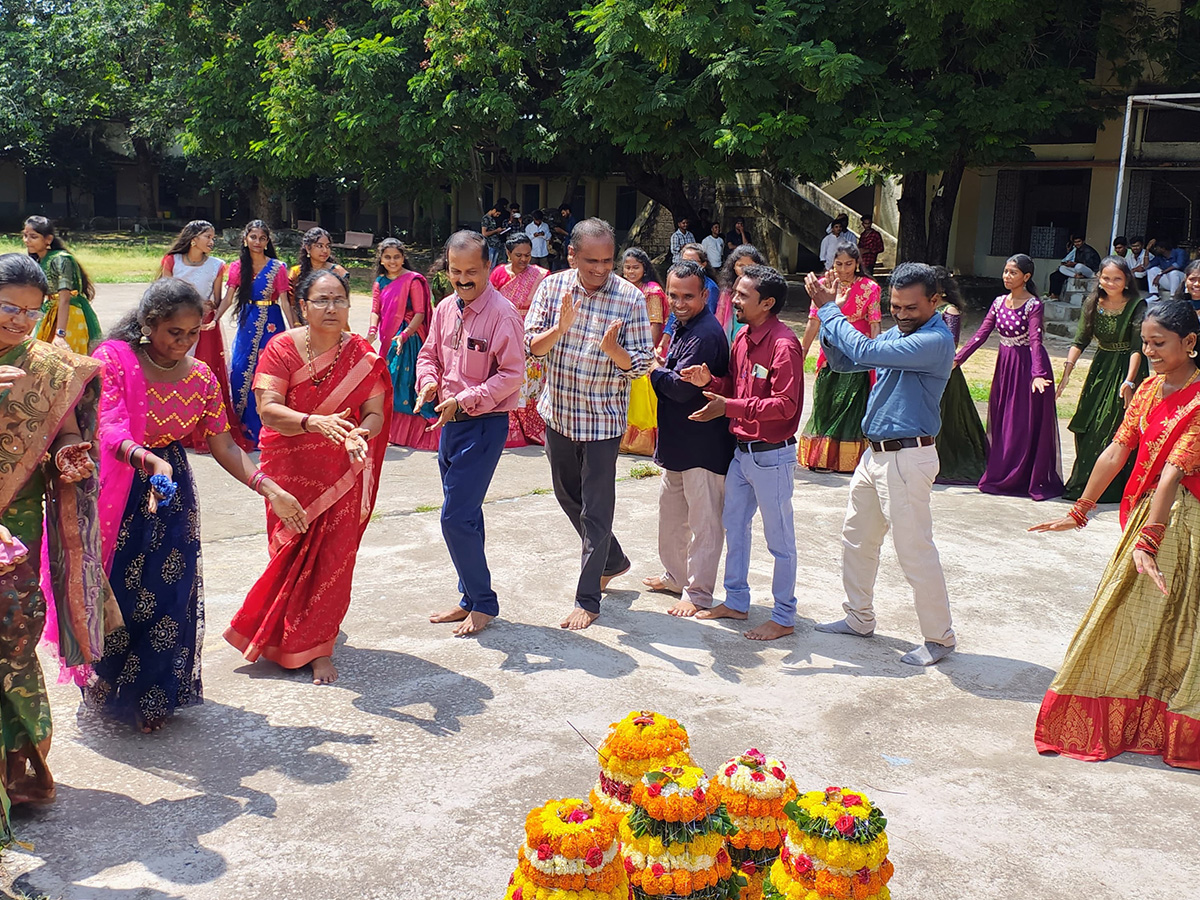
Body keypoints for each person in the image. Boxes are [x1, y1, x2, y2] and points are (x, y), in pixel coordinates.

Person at [83, 280, 305, 729]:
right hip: (122, 485)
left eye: (192, 333)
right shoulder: (115, 360)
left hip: (172, 492)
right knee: (120, 592)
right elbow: (109, 429)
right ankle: (109, 688)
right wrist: (149, 463)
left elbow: (223, 444)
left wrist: (270, 488)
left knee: (169, 594)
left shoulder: (201, 376)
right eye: (174, 333)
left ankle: (154, 697)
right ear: (148, 326)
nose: (183, 343)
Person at [1030, 300, 1200, 769]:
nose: (1149, 352)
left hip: (1182, 523)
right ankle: (1134, 720)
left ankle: (1168, 723)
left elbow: (1172, 473)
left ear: (1190, 343)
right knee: (1136, 619)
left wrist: (1149, 541)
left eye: (1159, 344)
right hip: (1150, 514)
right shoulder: (1147, 388)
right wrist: (1081, 509)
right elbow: (1118, 448)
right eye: (1144, 343)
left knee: (1174, 625)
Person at [225, 271, 390, 685]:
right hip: (290, 468)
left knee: (334, 559)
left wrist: (359, 435)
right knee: (290, 551)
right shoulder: (281, 348)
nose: (332, 307)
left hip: (342, 469)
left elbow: (374, 413)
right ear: (303, 305)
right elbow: (268, 410)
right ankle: (285, 631)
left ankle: (318, 646)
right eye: (322, 300)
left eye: (339, 299)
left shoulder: (363, 355)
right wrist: (314, 423)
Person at [806, 262, 957, 666]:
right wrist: (831, 321)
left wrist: (828, 310)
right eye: (896, 307)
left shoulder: (934, 340)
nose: (902, 315)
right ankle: (858, 617)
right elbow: (846, 361)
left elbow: (867, 350)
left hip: (908, 457)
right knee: (857, 538)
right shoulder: (904, 332)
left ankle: (939, 638)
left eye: (911, 308)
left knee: (914, 551)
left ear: (934, 301)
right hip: (876, 455)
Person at [0, 253, 107, 821]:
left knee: (13, 637)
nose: (18, 322)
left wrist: (68, 453)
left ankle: (21, 774)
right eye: (7, 308)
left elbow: (64, 427)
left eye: (30, 313)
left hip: (14, 525)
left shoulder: (50, 365)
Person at [524, 218, 653, 630]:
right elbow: (532, 346)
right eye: (592, 261)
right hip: (559, 414)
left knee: (597, 511)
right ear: (572, 255)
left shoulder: (630, 298)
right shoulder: (552, 287)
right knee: (568, 498)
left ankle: (588, 598)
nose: (601, 269)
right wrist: (560, 329)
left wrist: (615, 351)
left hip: (603, 422)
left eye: (608, 260)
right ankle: (613, 559)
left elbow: (642, 365)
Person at [681, 265, 803, 641]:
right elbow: (736, 387)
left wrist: (728, 407)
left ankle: (783, 615)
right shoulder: (743, 338)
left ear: (767, 303)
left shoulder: (784, 345)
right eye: (734, 292)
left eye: (743, 295)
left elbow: (785, 405)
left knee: (779, 541)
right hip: (743, 454)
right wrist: (711, 383)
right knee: (734, 527)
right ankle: (736, 600)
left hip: (772, 456)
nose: (733, 299)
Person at [417, 232, 526, 636]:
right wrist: (427, 382)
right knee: (466, 515)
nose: (462, 279)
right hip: (449, 424)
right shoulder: (446, 307)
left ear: (488, 267)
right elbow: (430, 353)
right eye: (455, 271)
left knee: (455, 518)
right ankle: (468, 597)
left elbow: (513, 374)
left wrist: (465, 399)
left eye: (472, 272)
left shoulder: (503, 314)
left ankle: (483, 602)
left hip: (483, 424)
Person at [643, 261, 735, 617]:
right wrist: (663, 368)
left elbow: (681, 390)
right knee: (671, 516)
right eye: (673, 295)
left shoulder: (706, 333)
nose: (679, 302)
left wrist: (654, 370)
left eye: (687, 296)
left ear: (704, 295)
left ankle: (697, 592)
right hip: (678, 442)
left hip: (703, 445)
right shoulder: (684, 326)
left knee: (704, 523)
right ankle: (676, 576)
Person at [955, 254, 1064, 500]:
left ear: (1026, 277)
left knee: (1022, 422)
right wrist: (958, 358)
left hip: (1028, 368)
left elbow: (1036, 341)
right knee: (1004, 419)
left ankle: (1023, 476)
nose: (1007, 276)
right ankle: (1002, 473)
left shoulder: (1033, 304)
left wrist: (1038, 374)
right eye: (1005, 271)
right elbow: (981, 334)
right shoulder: (998, 302)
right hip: (1005, 366)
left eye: (1013, 272)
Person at [1056, 256, 1147, 503]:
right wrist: (1067, 371)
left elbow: (1137, 348)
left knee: (1110, 426)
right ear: (1099, 278)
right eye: (1106, 278)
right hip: (1101, 367)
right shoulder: (1093, 301)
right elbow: (1080, 340)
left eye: (1117, 278)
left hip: (1127, 368)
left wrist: (1129, 382)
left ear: (1127, 280)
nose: (1111, 282)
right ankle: (1085, 483)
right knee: (1085, 423)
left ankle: (1112, 488)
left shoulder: (1137, 305)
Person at [159, 220, 253, 452]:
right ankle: (174, 425)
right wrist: (192, 302)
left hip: (205, 326)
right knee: (173, 372)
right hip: (176, 324)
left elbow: (218, 301)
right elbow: (164, 293)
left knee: (203, 375)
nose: (212, 241)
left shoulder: (217, 265)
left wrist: (210, 308)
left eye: (213, 237)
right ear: (193, 239)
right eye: (208, 237)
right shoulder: (172, 261)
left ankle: (203, 429)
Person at [799, 241, 880, 473]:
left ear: (857, 264)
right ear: (832, 264)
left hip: (857, 351)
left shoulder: (870, 287)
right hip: (830, 350)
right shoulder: (822, 286)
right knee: (826, 400)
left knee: (852, 405)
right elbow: (813, 321)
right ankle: (823, 457)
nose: (844, 269)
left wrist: (874, 354)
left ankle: (848, 460)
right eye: (839, 264)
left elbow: (875, 323)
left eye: (849, 264)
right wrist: (802, 352)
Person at [210, 220, 292, 446]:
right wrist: (214, 319)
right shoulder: (237, 267)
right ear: (245, 239)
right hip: (247, 321)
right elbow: (228, 298)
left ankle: (270, 429)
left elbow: (285, 301)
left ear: (267, 242)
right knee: (239, 372)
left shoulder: (278, 267)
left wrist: (295, 329)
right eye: (253, 237)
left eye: (262, 238)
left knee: (269, 374)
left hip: (271, 322)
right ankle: (244, 428)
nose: (257, 242)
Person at [368, 238, 438, 450]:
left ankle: (413, 432)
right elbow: (375, 310)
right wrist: (372, 331)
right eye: (388, 257)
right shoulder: (379, 282)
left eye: (397, 257)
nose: (392, 261)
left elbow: (420, 312)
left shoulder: (412, 280)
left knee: (405, 382)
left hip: (409, 339)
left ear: (403, 257)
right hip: (389, 339)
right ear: (381, 259)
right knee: (387, 382)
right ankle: (391, 431)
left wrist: (405, 335)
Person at [491, 233, 550, 446]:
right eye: (518, 255)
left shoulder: (541, 275)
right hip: (505, 332)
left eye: (527, 255)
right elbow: (491, 303)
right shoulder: (498, 274)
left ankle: (533, 426)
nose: (524, 260)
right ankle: (510, 427)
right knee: (507, 378)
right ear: (508, 254)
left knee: (531, 382)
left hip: (532, 333)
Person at [931, 267, 988, 485]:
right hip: (927, 366)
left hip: (945, 369)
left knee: (946, 418)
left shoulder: (950, 310)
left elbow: (951, 342)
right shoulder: (927, 306)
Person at [20, 216, 101, 354]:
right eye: (25, 235)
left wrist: (60, 334)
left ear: (48, 239)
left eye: (33, 236)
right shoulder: (39, 260)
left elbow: (64, 298)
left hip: (69, 317)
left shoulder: (61, 259)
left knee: (67, 360)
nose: (27, 241)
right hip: (49, 314)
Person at [619, 248, 668, 456]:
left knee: (640, 389)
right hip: (621, 347)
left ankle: (642, 441)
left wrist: (646, 351)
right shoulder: (620, 288)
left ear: (644, 268)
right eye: (627, 267)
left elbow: (655, 324)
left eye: (635, 267)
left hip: (643, 348)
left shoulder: (652, 290)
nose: (631, 271)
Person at [289, 227, 349, 325]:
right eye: (320, 246)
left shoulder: (338, 272)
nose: (325, 250)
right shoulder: (296, 273)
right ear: (308, 248)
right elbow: (292, 305)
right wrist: (297, 325)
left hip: (333, 324)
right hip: (304, 326)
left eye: (328, 246)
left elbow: (344, 303)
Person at [714, 244, 765, 344]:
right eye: (740, 265)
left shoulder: (763, 288)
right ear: (733, 266)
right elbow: (721, 316)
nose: (744, 270)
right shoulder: (727, 290)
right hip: (732, 335)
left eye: (750, 266)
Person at [1048, 234, 1101, 299]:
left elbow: (1089, 264)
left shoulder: (1088, 251)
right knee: (1062, 268)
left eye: (1078, 242)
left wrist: (1074, 264)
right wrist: (1070, 264)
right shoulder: (1077, 250)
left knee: (1078, 266)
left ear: (1083, 241)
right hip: (1078, 271)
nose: (1077, 244)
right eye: (1075, 242)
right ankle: (1076, 276)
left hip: (1091, 272)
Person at [680, 243, 721, 315]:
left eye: (692, 261)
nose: (687, 265)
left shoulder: (710, 287)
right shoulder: (680, 283)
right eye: (684, 261)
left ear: (703, 265)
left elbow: (709, 315)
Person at [551, 204, 576, 271]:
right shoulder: (567, 221)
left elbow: (573, 235)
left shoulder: (573, 221)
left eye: (563, 213)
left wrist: (561, 231)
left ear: (567, 211)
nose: (563, 215)